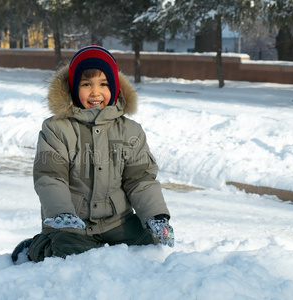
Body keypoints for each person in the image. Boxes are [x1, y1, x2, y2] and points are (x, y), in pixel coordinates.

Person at [11, 44, 174, 264]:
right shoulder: (57, 129)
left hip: (118, 223)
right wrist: (61, 213)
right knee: (67, 252)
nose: (95, 92)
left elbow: (141, 179)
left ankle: (101, 246)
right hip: (71, 224)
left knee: (149, 245)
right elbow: (50, 176)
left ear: (115, 88)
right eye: (86, 84)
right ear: (73, 88)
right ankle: (40, 246)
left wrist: (156, 216)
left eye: (104, 84)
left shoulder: (130, 131)